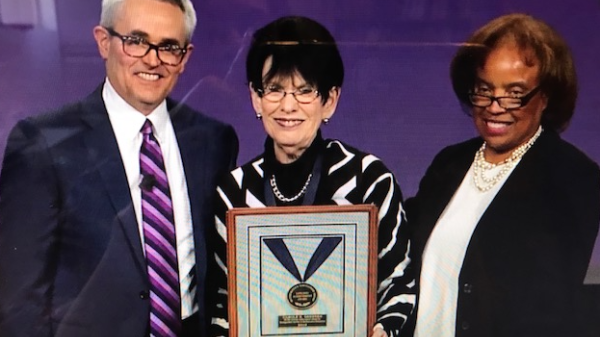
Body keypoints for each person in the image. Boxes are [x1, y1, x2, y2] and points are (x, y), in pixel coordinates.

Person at [0, 0, 238, 336]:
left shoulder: (214, 141)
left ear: (184, 58)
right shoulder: (43, 144)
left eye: (169, 46)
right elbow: (18, 301)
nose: (153, 59)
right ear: (103, 41)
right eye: (137, 41)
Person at [209, 16, 415, 337]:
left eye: (304, 91)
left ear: (329, 101)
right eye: (274, 89)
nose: (288, 106)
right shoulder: (233, 191)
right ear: (255, 98)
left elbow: (399, 285)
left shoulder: (369, 181)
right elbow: (222, 299)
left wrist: (382, 331)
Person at [406, 13, 600, 337]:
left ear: (546, 96)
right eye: (484, 89)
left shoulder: (573, 177)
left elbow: (547, 309)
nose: (495, 107)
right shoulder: (449, 163)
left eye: (514, 93)